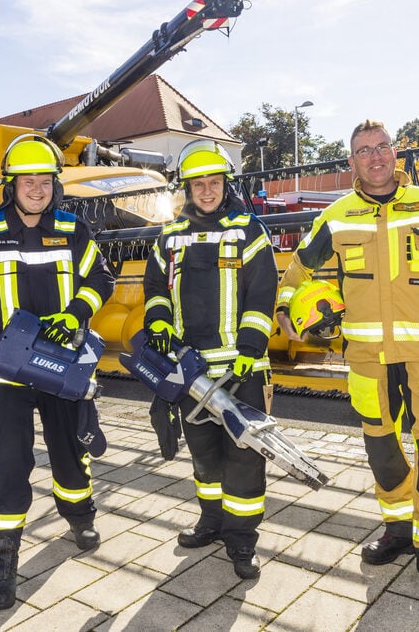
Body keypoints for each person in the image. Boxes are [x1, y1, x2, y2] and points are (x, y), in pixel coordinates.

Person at [276, 120, 419, 604]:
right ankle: (399, 530)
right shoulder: (338, 214)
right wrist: (285, 307)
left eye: (382, 147)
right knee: (381, 451)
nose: (374, 156)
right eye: (364, 150)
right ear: (352, 162)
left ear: (395, 154)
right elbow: (299, 265)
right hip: (367, 359)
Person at [0, 135, 116, 610]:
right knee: (5, 466)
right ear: (11, 184)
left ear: (54, 185)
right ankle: (2, 560)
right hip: (3, 372)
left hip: (60, 367)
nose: (36, 189)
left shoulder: (73, 228)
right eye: (27, 181)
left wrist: (77, 313)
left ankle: (80, 515)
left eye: (44, 180)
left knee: (69, 451)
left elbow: (100, 277)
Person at [143, 139, 278, 579]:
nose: (206, 191)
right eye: (198, 184)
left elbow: (262, 294)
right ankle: (212, 521)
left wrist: (251, 350)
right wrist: (159, 323)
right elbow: (155, 291)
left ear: (226, 184)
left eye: (214, 182)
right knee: (203, 455)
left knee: (245, 457)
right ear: (187, 187)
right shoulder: (169, 235)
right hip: (191, 371)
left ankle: (242, 541)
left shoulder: (249, 230)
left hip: (241, 370)